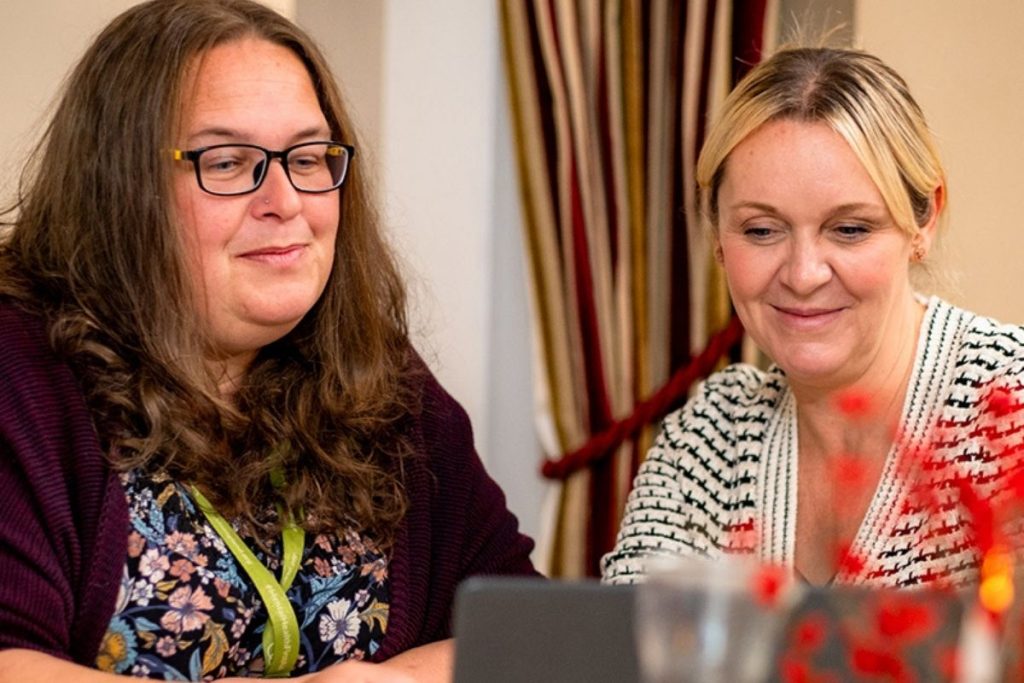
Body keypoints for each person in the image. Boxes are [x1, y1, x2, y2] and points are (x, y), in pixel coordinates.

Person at [0, 1, 536, 680]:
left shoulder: (383, 379)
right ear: (120, 186)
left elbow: (522, 632)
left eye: (309, 157)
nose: (284, 198)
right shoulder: (19, 372)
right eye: (228, 162)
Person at [602, 45, 1024, 588]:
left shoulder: (1008, 404)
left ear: (924, 221)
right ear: (718, 237)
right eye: (761, 230)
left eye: (850, 229)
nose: (803, 275)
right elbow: (628, 652)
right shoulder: (711, 433)